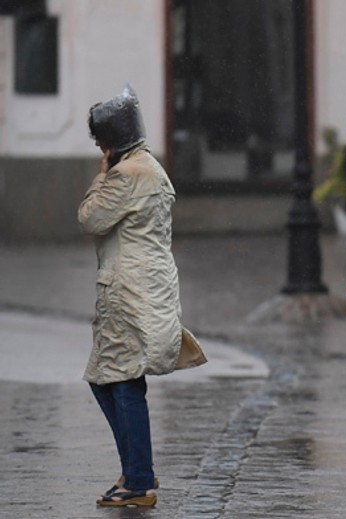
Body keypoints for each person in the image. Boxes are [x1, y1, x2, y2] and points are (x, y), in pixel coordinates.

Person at [79, 85, 182, 507]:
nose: (99, 147)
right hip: (148, 287)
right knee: (115, 380)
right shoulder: (153, 168)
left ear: (111, 141)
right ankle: (136, 471)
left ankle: (139, 480)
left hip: (127, 291)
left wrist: (101, 172)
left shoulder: (124, 174)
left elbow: (89, 218)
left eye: (100, 141)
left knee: (119, 382)